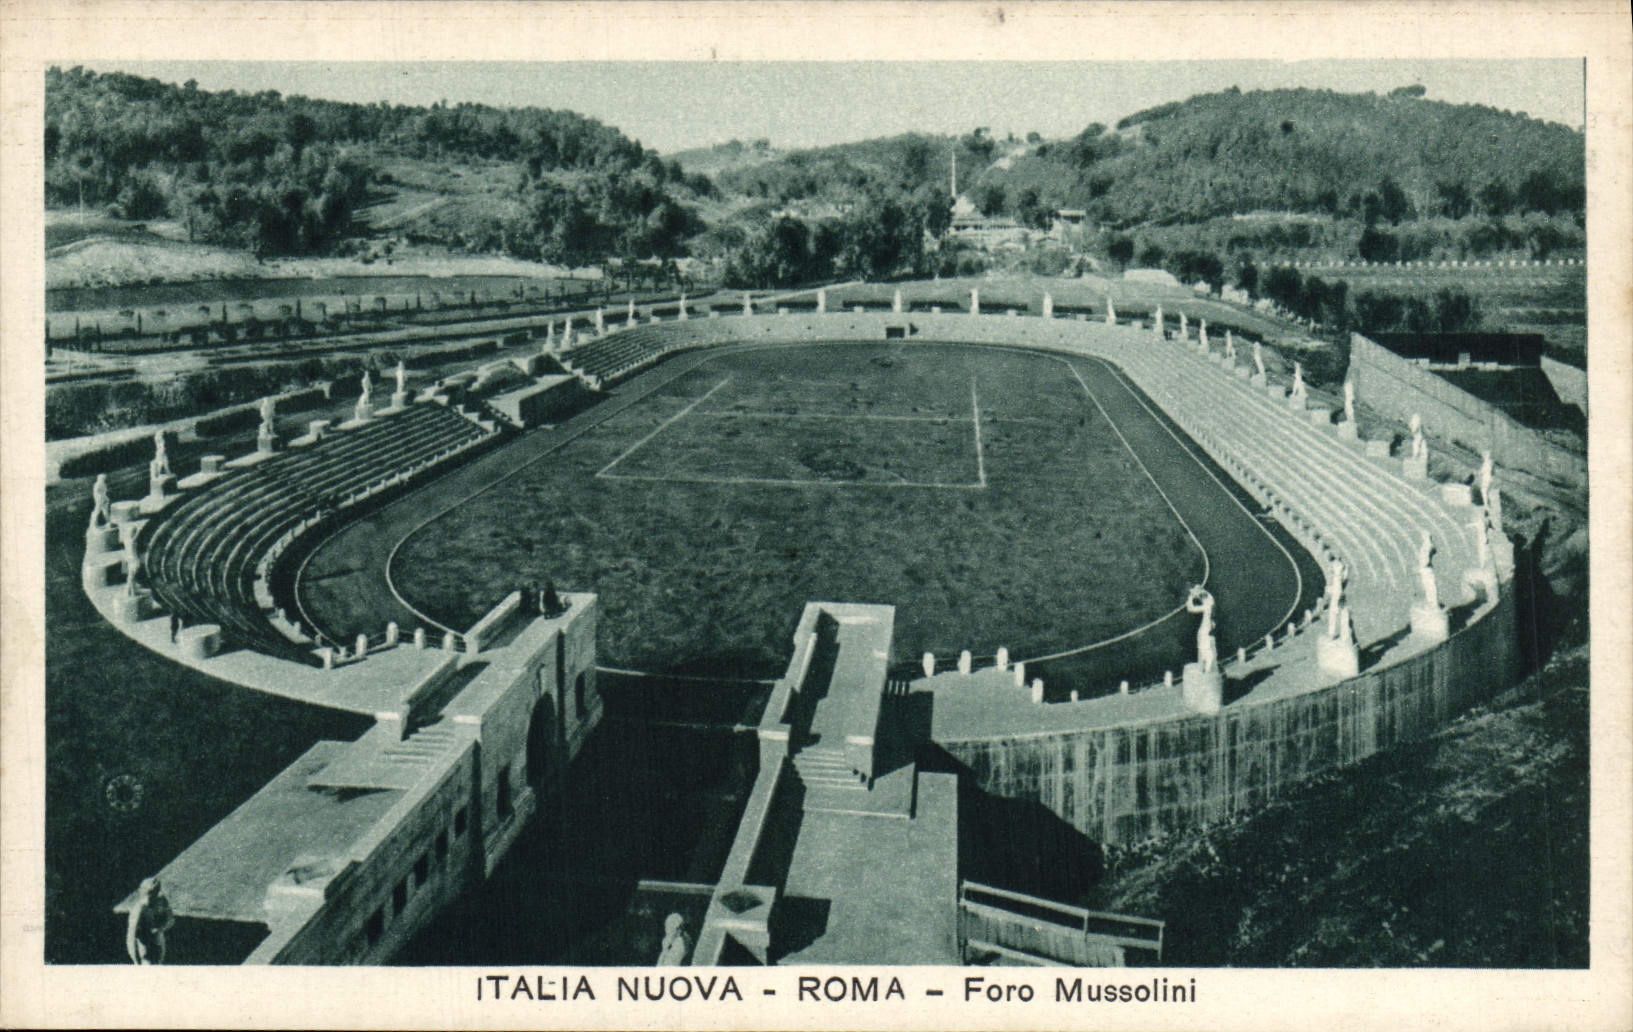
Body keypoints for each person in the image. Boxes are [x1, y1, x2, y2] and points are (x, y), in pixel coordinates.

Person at [126, 877, 175, 965]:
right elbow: (131, 935)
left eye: (154, 894)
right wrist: (135, 961)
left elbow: (171, 920)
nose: (150, 898)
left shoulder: (162, 901)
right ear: (143, 893)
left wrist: (160, 929)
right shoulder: (139, 909)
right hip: (143, 939)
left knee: (158, 962)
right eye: (149, 894)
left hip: (157, 937)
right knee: (147, 963)